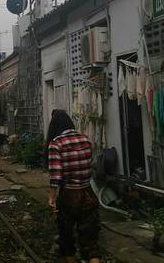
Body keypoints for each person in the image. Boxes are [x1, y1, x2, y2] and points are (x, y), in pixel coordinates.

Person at [46, 110, 102, 263]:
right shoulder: (86, 139)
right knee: (90, 241)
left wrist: (52, 198)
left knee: (67, 238)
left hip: (68, 195)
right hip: (88, 193)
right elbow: (90, 165)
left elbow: (56, 176)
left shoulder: (56, 144)